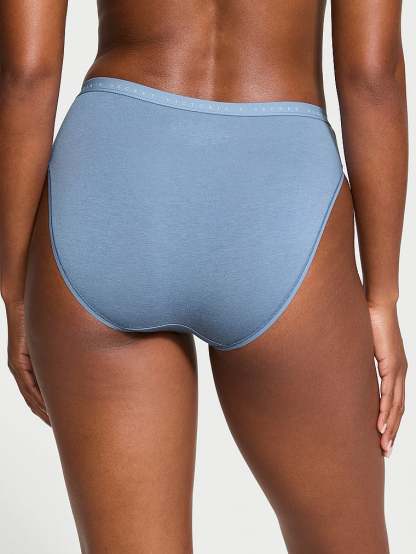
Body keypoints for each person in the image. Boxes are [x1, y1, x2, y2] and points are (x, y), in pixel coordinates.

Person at [0, 1, 408, 552]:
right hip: (277, 191)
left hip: (110, 184)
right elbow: (371, 73)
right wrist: (381, 297)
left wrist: (14, 290)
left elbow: (25, 71)